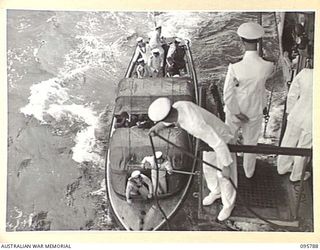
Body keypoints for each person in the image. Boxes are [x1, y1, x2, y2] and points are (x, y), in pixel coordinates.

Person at [148, 97, 237, 221]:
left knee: (224, 176)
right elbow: (170, 118)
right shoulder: (178, 106)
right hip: (209, 140)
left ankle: (228, 205)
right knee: (208, 168)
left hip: (222, 140)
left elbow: (218, 143)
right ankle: (216, 191)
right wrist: (158, 127)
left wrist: (226, 165)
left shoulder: (194, 124)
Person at [223, 22, 274, 178]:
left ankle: (228, 170)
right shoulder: (268, 66)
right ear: (258, 41)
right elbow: (265, 85)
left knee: (229, 139)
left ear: (241, 41)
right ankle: (249, 172)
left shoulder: (235, 67)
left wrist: (237, 112)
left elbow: (228, 93)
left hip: (235, 110)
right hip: (255, 110)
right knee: (250, 142)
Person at [277, 58, 313, 182]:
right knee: (303, 148)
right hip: (312, 121)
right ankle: (297, 175)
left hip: (297, 113)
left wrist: (289, 112)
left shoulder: (305, 73)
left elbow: (292, 95)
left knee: (288, 141)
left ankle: (282, 167)